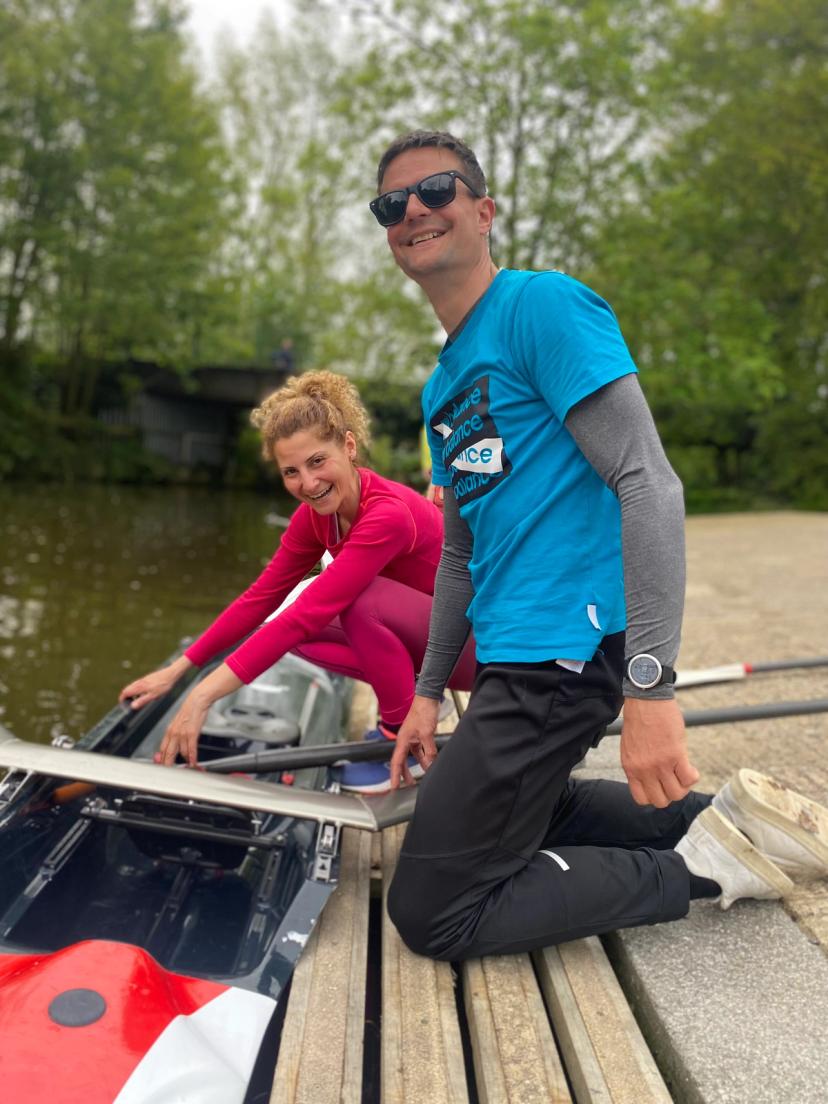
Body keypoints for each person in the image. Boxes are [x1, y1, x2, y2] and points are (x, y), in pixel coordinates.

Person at [367, 129, 828, 959]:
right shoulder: (443, 387)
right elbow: (461, 558)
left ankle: (704, 870)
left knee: (432, 910)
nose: (413, 212)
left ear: (483, 209)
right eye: (392, 204)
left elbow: (649, 483)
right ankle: (734, 821)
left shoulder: (541, 307)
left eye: (434, 190)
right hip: (516, 656)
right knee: (519, 810)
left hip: (566, 656)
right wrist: (429, 692)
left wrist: (652, 689)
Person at [119, 369, 475, 793]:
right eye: (291, 472)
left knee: (358, 603)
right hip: (434, 638)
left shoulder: (388, 514)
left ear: (348, 445)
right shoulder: (314, 518)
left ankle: (403, 738)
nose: (308, 483)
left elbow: (311, 611)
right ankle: (403, 709)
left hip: (475, 647)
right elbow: (261, 598)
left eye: (317, 462)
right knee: (284, 630)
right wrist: (180, 671)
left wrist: (203, 695)